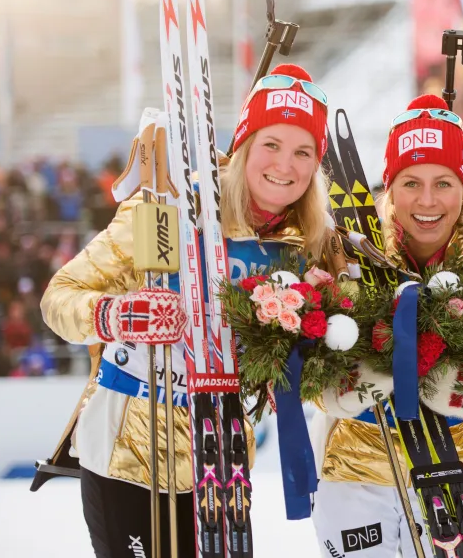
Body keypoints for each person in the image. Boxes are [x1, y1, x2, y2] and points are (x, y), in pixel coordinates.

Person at [40, 63, 334, 558]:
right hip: (129, 453)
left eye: (303, 151)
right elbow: (59, 298)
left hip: (221, 465)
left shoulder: (306, 247)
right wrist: (118, 314)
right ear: (243, 147)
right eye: (271, 145)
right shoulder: (170, 209)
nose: (286, 165)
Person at [312, 94, 463, 558]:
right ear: (389, 187)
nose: (427, 201)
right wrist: (328, 385)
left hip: (454, 478)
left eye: (443, 182)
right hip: (356, 475)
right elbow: (301, 354)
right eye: (411, 182)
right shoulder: (348, 255)